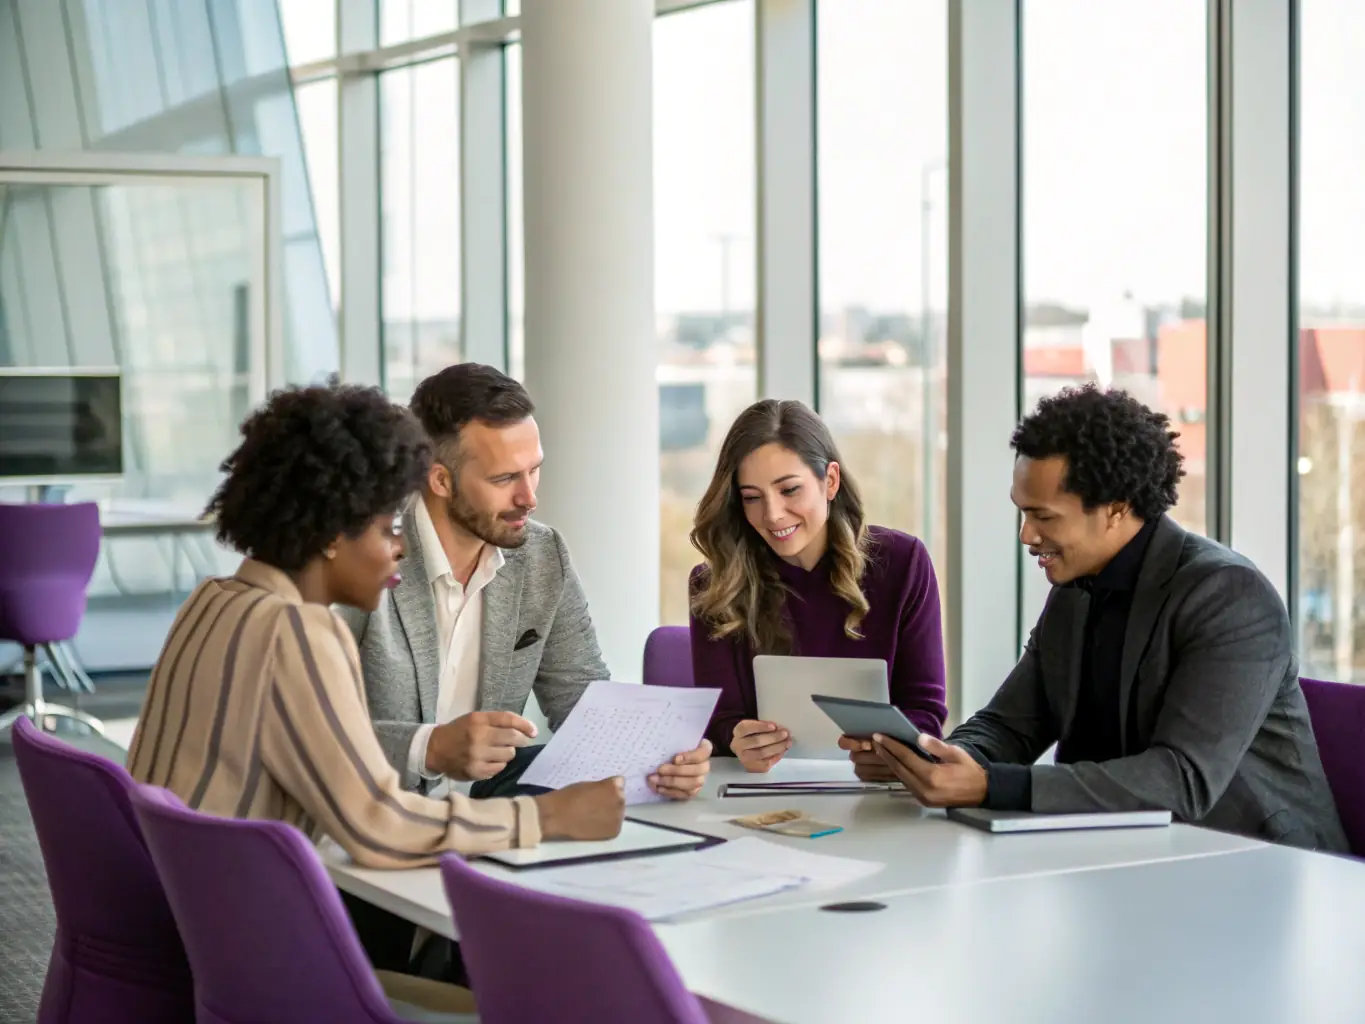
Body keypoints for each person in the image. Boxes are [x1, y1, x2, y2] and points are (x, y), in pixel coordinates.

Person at [126, 381, 625, 1003]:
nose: (399, 547)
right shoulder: (297, 631)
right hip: (275, 965)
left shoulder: (214, 601)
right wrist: (550, 817)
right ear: (332, 534)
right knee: (543, 1003)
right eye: (388, 527)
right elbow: (378, 825)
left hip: (196, 937)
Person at [865, 385, 1349, 852]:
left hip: (1259, 862)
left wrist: (993, 785)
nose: (1026, 535)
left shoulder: (1227, 596)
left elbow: (1182, 779)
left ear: (1116, 508)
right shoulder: (1075, 590)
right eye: (1022, 513)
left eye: (1044, 517)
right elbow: (1010, 724)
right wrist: (933, 758)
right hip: (1123, 853)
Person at [338, 363, 711, 802]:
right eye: (504, 479)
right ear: (440, 479)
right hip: (373, 804)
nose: (529, 497)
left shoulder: (541, 554)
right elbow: (301, 724)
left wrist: (661, 757)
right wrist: (429, 748)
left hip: (488, 801)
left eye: (533, 470)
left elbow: (581, 698)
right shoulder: (363, 555)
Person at [688, 398, 948, 774]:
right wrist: (736, 739)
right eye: (752, 497)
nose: (772, 515)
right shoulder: (715, 584)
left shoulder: (904, 563)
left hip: (877, 785)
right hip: (761, 789)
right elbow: (718, 721)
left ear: (830, 481)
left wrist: (889, 751)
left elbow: (926, 711)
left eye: (789, 490)